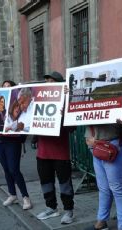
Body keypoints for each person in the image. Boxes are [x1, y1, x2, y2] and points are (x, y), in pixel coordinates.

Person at [85, 98, 122, 230]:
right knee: (104, 188)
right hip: (96, 146)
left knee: (118, 189)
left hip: (113, 146)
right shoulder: (88, 93)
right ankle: (101, 222)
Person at [34, 71, 75, 224]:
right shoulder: (38, 99)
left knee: (65, 183)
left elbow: (72, 129)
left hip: (60, 153)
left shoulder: (66, 101)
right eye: (46, 81)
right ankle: (51, 208)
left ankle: (68, 211)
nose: (48, 83)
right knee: (46, 182)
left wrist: (64, 114)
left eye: (51, 81)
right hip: (43, 152)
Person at [0, 80, 32, 210]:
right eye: (3, 87)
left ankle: (25, 197)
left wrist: (10, 127)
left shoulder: (18, 105)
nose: (6, 88)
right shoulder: (1, 105)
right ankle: (12, 194)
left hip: (12, 141)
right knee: (6, 168)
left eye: (8, 86)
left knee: (14, 169)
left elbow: (20, 124)